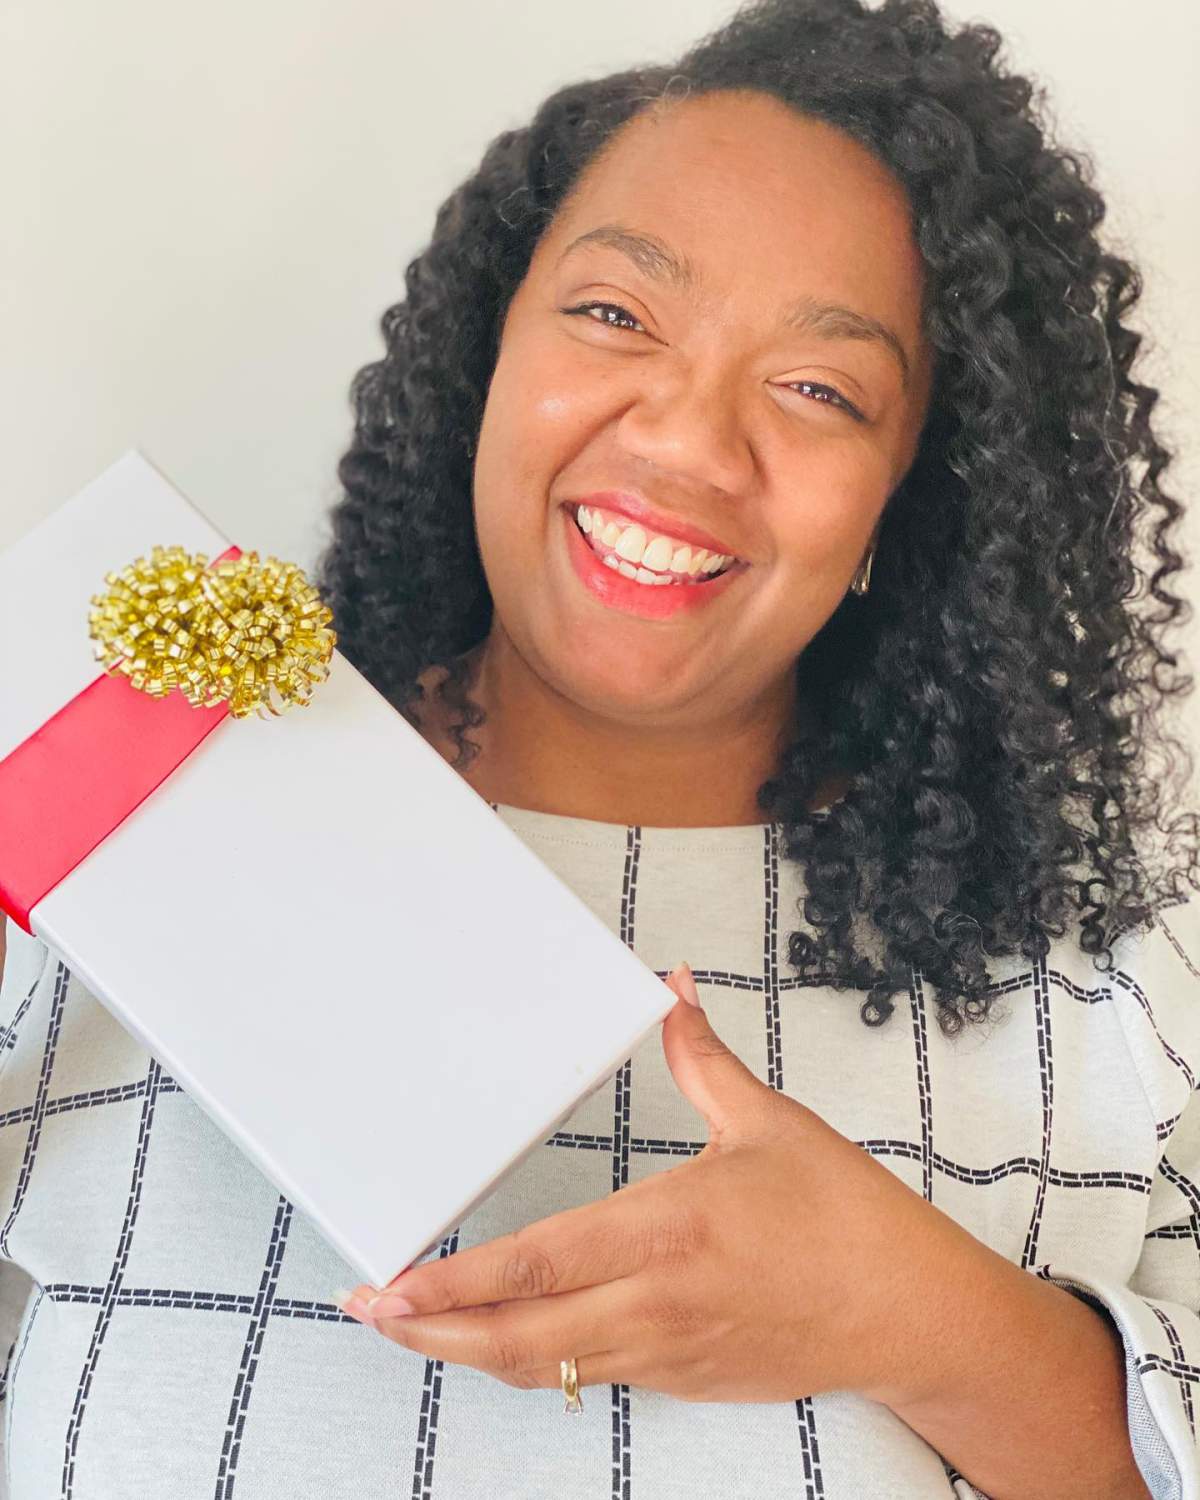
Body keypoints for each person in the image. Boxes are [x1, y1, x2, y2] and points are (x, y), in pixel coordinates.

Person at [1, 0, 1198, 1495]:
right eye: (617, 313)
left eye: (821, 389)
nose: (690, 445)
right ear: (483, 354)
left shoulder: (1112, 978)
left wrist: (921, 1321)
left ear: (912, 496)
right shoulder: (109, 820)